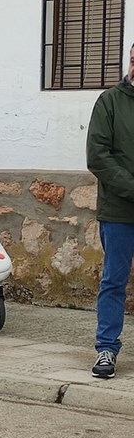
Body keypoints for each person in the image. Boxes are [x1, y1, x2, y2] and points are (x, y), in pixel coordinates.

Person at [86, 43, 134, 379]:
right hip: (119, 211)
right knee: (114, 281)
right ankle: (106, 349)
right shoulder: (110, 102)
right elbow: (98, 155)